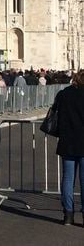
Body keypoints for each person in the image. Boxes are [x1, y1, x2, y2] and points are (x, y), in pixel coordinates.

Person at [52, 70, 84, 225]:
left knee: (67, 179)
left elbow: (56, 111)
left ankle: (68, 215)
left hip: (68, 141)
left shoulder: (64, 94)